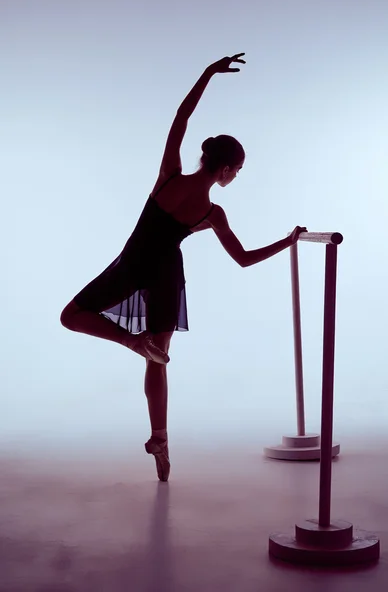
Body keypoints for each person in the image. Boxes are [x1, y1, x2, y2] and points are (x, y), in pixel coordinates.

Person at [60, 53, 307, 482]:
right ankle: (159, 434)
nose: (237, 176)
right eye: (238, 170)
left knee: (74, 317)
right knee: (157, 358)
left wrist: (209, 73)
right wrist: (287, 243)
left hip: (135, 265)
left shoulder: (169, 176)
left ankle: (143, 380)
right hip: (166, 276)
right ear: (227, 169)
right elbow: (244, 260)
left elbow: (182, 116)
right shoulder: (212, 213)